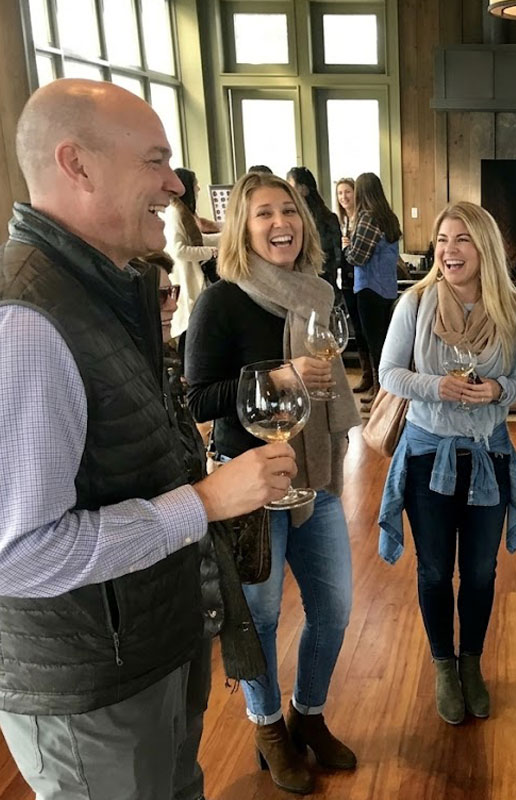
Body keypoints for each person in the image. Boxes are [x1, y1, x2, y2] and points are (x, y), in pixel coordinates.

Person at [0, 78, 295, 800]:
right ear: (77, 164)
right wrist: (204, 500)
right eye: (156, 162)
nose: (175, 184)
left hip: (150, 650)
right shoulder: (29, 322)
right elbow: (18, 554)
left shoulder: (105, 293)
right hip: (92, 690)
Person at [184, 171, 362, 795]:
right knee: (258, 615)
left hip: (316, 476)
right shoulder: (221, 300)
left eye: (288, 210)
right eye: (263, 213)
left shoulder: (318, 293)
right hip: (250, 485)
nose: (279, 222)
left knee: (334, 608)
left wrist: (309, 379)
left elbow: (334, 373)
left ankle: (306, 716)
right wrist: (280, 376)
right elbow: (198, 397)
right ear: (243, 227)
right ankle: (267, 728)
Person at [377, 201, 516, 725]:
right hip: (428, 456)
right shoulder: (415, 305)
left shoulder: (515, 312)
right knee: (434, 568)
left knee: (482, 571)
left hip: (489, 456)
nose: (448, 250)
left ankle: (472, 664)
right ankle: (443, 665)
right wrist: (436, 385)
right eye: (443, 240)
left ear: (484, 247)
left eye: (462, 239)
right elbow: (389, 374)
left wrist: (497, 390)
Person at [141, 251, 266, 800]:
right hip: (133, 613)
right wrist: (209, 500)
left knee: (184, 764)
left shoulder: (163, 366)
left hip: (186, 589)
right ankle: (271, 727)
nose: (170, 305)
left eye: (172, 294)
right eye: (157, 295)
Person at [342, 172, 402, 409]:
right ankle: (382, 392)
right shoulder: (389, 218)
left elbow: (358, 256)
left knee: (375, 344)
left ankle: (381, 397)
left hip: (369, 288)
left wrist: (346, 247)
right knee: (384, 343)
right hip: (387, 288)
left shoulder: (368, 218)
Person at [164, 167, 220, 339]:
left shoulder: (184, 212)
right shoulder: (175, 213)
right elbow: (179, 250)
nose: (199, 189)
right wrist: (211, 252)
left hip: (195, 276)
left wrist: (228, 237)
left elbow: (199, 239)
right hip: (187, 277)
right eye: (196, 184)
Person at [337, 177, 372, 394]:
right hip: (347, 281)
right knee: (358, 332)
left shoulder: (363, 219)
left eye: (347, 192)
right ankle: (365, 375)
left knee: (367, 331)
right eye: (340, 193)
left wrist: (349, 247)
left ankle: (372, 379)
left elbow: (359, 254)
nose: (344, 197)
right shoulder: (341, 221)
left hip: (362, 280)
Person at [287, 166, 344, 297]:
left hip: (319, 285)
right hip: (303, 285)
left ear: (304, 189)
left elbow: (335, 258)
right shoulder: (293, 218)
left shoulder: (325, 219)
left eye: (291, 186)